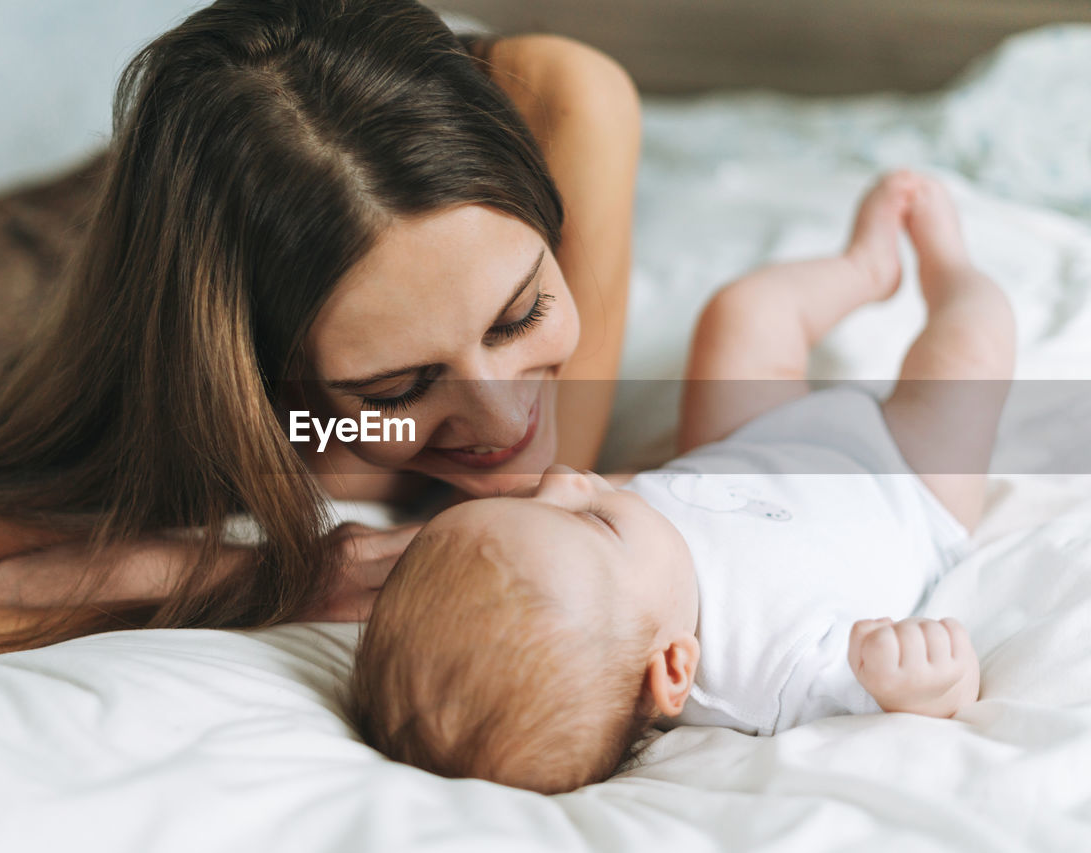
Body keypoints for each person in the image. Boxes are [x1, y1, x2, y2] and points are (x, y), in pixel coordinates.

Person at [0, 0, 641, 657]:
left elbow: (548, 480)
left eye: (522, 314)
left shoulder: (566, 105)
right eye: (398, 384)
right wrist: (255, 580)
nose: (505, 421)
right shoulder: (196, 396)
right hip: (46, 256)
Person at [350, 172, 1016, 794]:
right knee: (974, 346)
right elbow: (933, 694)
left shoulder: (606, 571)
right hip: (901, 482)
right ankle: (950, 269)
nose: (564, 479)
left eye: (538, 501)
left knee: (741, 314)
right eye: (590, 517)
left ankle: (864, 268)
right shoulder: (772, 675)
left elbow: (594, 507)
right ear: (672, 669)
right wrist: (924, 678)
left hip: (743, 445)